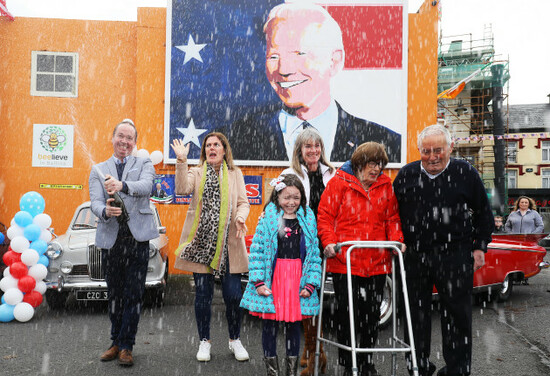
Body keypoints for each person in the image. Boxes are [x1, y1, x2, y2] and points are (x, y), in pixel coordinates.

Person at [222, 2, 401, 163]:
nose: (284, 69)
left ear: (334, 61)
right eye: (274, 56)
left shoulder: (386, 143)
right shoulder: (233, 138)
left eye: (300, 54)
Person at [393, 124, 494, 376]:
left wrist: (480, 245)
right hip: (414, 256)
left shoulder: (465, 173)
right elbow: (391, 215)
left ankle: (457, 369)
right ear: (419, 151)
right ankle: (418, 367)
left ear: (450, 147)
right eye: (426, 151)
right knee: (415, 315)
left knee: (457, 316)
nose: (432, 156)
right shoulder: (406, 175)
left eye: (438, 149)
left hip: (455, 254)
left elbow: (484, 213)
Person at [317, 142, 404, 376]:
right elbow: (325, 216)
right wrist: (328, 242)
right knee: (348, 315)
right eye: (372, 163)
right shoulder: (339, 182)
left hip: (376, 263)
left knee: (371, 315)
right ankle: (349, 363)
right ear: (359, 163)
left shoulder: (385, 185)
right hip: (346, 262)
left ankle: (366, 362)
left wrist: (396, 240)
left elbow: (392, 218)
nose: (376, 169)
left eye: (380, 164)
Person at [170, 132, 250, 363]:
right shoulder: (196, 172)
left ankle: (235, 339)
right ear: (204, 151)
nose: (212, 148)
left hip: (230, 244)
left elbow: (243, 202)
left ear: (225, 150)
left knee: (234, 296)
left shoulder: (235, 174)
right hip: (202, 244)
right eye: (208, 145)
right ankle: (204, 341)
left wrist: (240, 217)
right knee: (203, 296)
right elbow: (182, 189)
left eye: (217, 145)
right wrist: (182, 161)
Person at [89, 119, 159, 367]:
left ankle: (127, 345)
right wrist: (105, 211)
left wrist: (122, 185)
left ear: (135, 142)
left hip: (137, 241)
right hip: (111, 241)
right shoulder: (98, 168)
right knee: (115, 295)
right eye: (121, 136)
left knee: (134, 295)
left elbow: (147, 186)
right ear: (112, 138)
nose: (125, 142)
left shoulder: (144, 162)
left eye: (130, 138)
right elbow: (95, 202)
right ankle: (116, 341)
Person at [240, 174, 322, 376]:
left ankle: (291, 371)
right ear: (277, 197)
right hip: (273, 279)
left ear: (302, 197)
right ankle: (272, 372)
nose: (291, 202)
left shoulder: (308, 219)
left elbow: (314, 256)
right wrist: (258, 282)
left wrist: (310, 284)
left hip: (297, 281)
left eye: (296, 197)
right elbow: (258, 252)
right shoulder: (268, 219)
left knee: (294, 326)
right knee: (269, 325)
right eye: (287, 197)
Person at [280, 128, 335, 375]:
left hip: (325, 245)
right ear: (299, 151)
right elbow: (277, 208)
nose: (313, 151)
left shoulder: (332, 174)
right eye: (308, 147)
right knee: (306, 299)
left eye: (317, 146)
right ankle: (314, 352)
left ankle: (313, 352)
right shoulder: (289, 175)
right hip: (299, 246)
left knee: (315, 299)